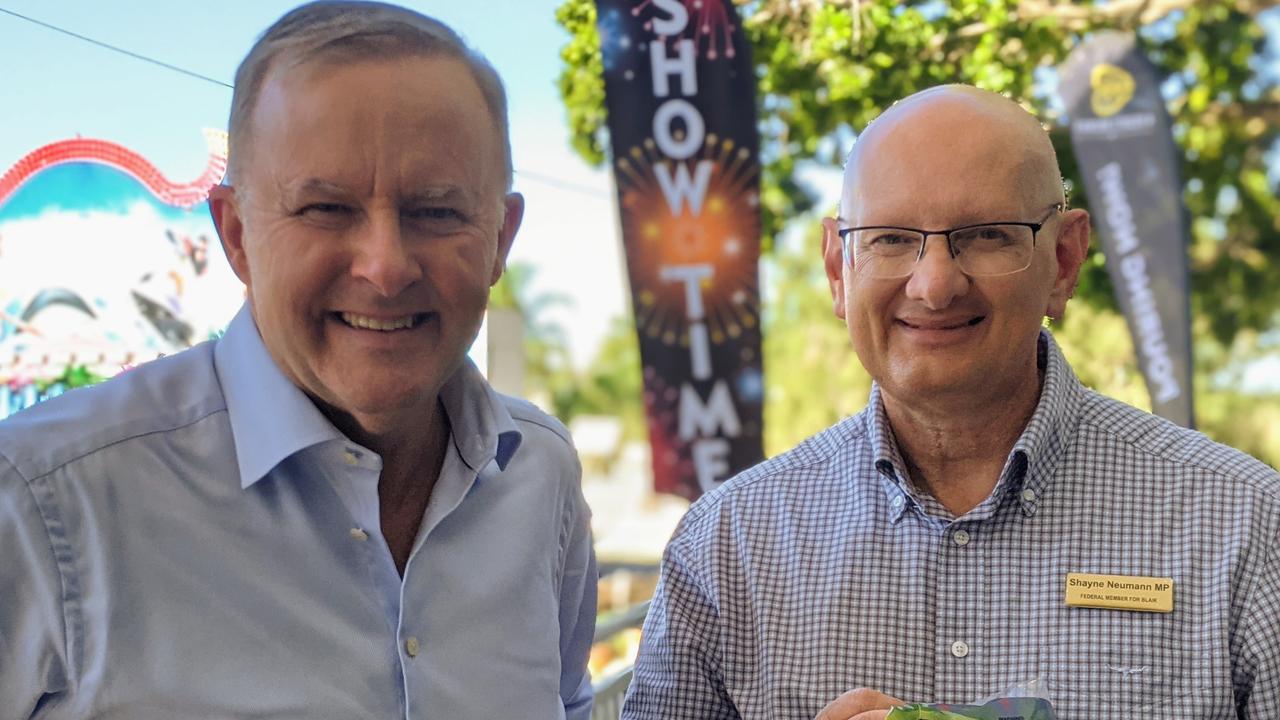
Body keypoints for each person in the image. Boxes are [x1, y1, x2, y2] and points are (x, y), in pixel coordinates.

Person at [0, 3, 596, 718]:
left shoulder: (539, 477)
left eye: (436, 210)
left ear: (501, 237)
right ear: (237, 236)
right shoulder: (42, 506)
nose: (385, 267)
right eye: (326, 208)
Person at [621, 85, 1279, 719]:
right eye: (891, 237)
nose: (935, 285)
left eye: (987, 234)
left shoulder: (1244, 531)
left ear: (1066, 261)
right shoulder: (727, 549)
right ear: (836, 269)